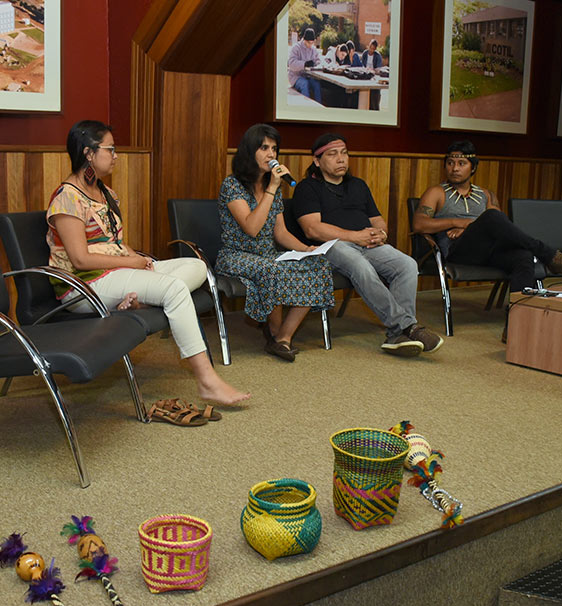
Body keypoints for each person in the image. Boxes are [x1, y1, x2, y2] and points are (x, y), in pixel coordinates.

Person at [46, 120, 249, 405]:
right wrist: (131, 262)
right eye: (110, 149)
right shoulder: (67, 198)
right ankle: (207, 381)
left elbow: (113, 241)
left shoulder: (106, 194)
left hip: (116, 271)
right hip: (85, 284)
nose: (116, 156)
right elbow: (80, 259)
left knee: (198, 267)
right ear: (89, 153)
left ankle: (146, 298)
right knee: (175, 291)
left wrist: (138, 259)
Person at [293, 133, 444, 357]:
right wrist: (355, 236)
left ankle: (398, 335)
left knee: (407, 265)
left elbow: (378, 220)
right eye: (332, 154)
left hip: (368, 245)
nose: (341, 159)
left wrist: (380, 234)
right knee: (361, 266)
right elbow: (312, 229)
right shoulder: (307, 187)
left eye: (344, 153)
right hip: (329, 247)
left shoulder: (358, 185)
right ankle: (407, 327)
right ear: (317, 161)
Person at [217, 124, 335, 362]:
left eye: (274, 149)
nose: (271, 155)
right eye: (264, 148)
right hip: (236, 254)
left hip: (269, 253)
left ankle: (283, 338)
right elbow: (251, 228)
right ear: (249, 152)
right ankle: (272, 332)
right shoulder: (232, 185)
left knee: (319, 265)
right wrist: (272, 188)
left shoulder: (274, 189)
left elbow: (280, 233)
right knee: (272, 270)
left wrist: (307, 250)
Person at [412, 140, 562, 294]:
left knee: (523, 256)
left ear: (473, 167)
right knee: (492, 216)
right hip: (458, 251)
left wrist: (469, 228)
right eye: (450, 163)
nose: (455, 168)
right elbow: (419, 224)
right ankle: (549, 255)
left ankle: (518, 315)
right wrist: (459, 222)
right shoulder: (437, 192)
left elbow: (500, 229)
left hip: (489, 252)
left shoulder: (487, 195)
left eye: (461, 163)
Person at [288, 28, 322, 103]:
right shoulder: (296, 47)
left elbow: (318, 60)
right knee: (304, 83)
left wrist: (316, 64)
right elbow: (291, 64)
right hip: (295, 76)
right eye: (309, 43)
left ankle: (319, 107)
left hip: (307, 75)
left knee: (316, 84)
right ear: (304, 40)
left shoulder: (313, 49)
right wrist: (304, 64)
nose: (310, 45)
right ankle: (306, 106)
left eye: (312, 43)